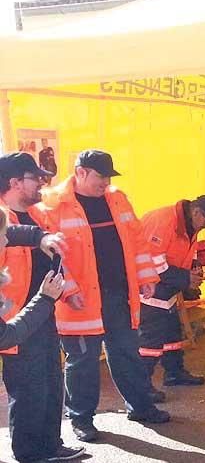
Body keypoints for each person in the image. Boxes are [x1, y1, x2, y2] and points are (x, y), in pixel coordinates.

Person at [38, 150, 170, 442]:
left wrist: (147, 277)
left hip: (117, 295)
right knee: (82, 361)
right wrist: (68, 291)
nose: (106, 182)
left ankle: (141, 406)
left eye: (109, 176)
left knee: (126, 352)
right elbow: (52, 256)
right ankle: (81, 419)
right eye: (101, 176)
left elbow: (136, 241)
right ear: (81, 172)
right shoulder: (53, 204)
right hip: (80, 300)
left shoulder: (117, 198)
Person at [0, 197, 69, 463]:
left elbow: (14, 232)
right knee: (28, 390)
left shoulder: (12, 226)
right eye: (2, 237)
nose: (6, 243)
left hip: (32, 324)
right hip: (21, 330)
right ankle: (30, 459)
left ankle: (45, 449)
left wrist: (40, 237)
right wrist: (44, 299)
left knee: (46, 386)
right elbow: (7, 336)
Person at [139, 195, 205, 394]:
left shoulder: (188, 225)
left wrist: (191, 274)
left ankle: (174, 372)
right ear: (197, 212)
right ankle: (141, 388)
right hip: (147, 285)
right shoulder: (164, 221)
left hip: (165, 284)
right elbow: (153, 263)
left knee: (171, 332)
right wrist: (186, 279)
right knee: (151, 339)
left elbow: (187, 253)